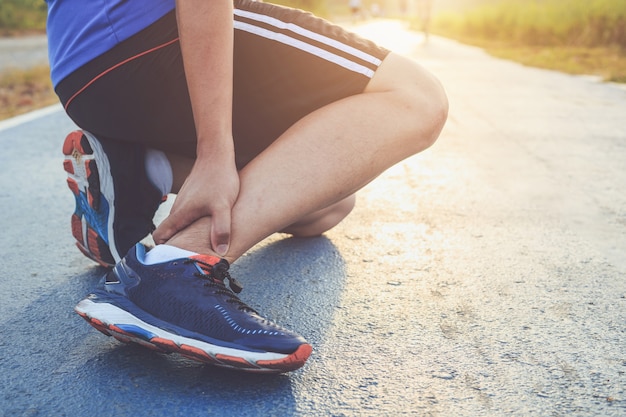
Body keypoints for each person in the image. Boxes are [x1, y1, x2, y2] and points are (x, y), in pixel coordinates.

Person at [46, 0, 448, 373]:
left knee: (332, 204)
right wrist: (214, 152)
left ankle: (144, 170)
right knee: (415, 98)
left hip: (82, 76)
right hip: (153, 35)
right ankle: (170, 269)